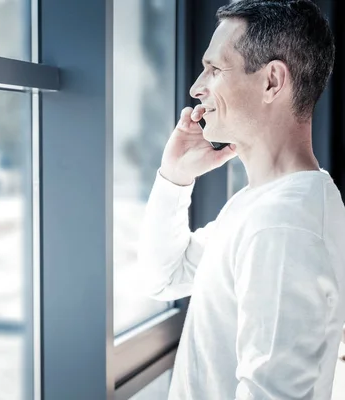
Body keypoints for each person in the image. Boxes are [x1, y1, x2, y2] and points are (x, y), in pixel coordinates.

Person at [138, 1, 345, 399]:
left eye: (215, 69)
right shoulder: (262, 204)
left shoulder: (284, 226)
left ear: (272, 81)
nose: (197, 87)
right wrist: (175, 178)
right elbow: (162, 277)